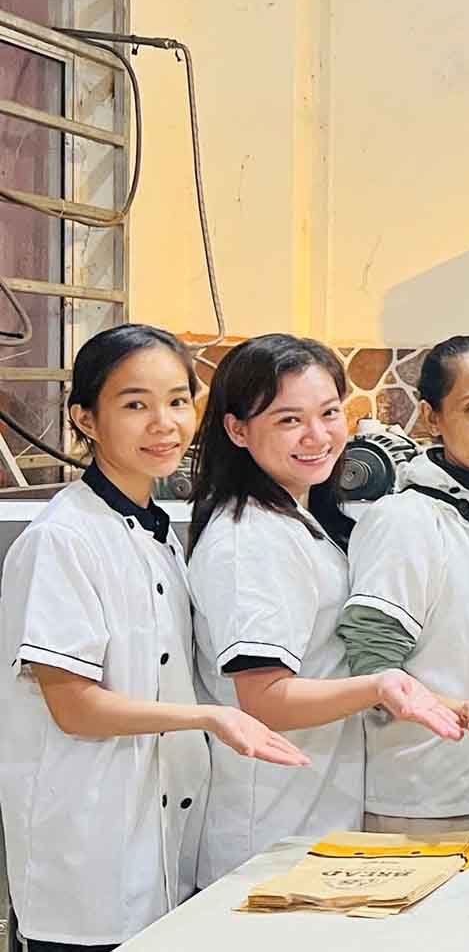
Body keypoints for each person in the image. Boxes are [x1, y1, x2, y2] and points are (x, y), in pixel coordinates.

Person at [0, 326, 305, 951]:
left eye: (177, 400)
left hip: (163, 848)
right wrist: (211, 717)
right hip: (87, 860)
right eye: (135, 404)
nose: (164, 423)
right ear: (85, 418)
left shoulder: (157, 534)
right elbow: (74, 706)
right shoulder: (62, 539)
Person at [188, 334, 465, 883]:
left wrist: (451, 704)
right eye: (289, 420)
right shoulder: (251, 540)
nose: (317, 436)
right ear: (237, 430)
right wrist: (379, 686)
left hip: (314, 820)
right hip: (267, 833)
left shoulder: (298, 517)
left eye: (330, 413)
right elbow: (263, 699)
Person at [339, 335, 469, 834]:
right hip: (421, 798)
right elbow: (372, 663)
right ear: (431, 417)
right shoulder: (405, 518)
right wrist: (459, 714)